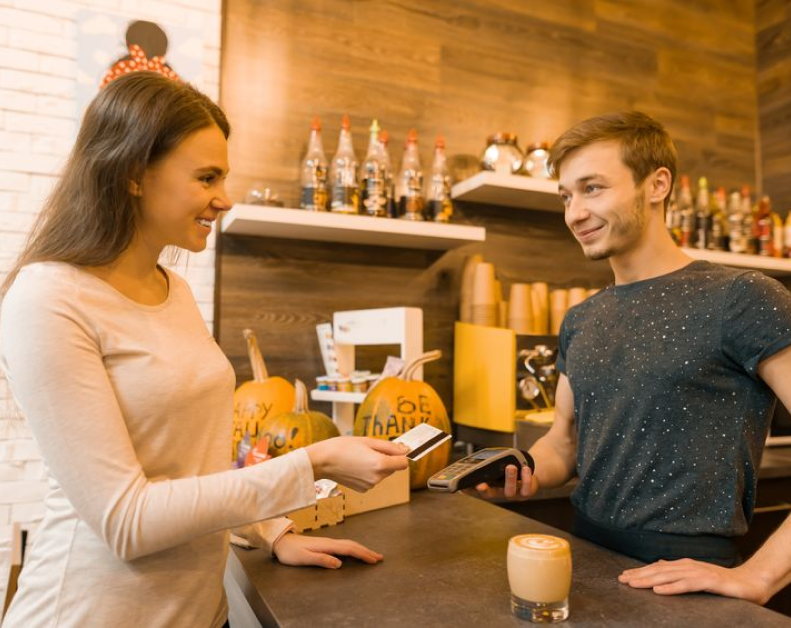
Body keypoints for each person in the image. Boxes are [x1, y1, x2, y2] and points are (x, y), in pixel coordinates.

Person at [0, 71, 409, 628]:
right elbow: (128, 520)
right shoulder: (47, 298)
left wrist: (273, 531)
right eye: (207, 177)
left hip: (200, 614)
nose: (225, 197)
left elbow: (195, 462)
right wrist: (311, 461)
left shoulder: (177, 291)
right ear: (133, 174)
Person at [479, 111, 791, 605]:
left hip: (685, 580)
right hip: (583, 561)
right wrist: (519, 470)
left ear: (657, 184)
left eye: (593, 188)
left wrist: (759, 577)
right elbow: (565, 441)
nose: (574, 213)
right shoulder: (581, 318)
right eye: (566, 195)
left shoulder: (742, 297)